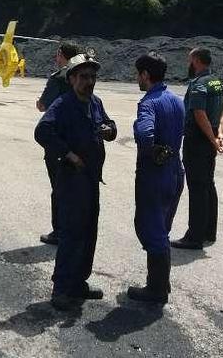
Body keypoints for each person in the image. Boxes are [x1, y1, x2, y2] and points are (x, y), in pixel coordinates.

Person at [34, 53, 117, 311]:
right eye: (84, 77)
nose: (89, 81)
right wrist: (68, 153)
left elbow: (110, 125)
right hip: (71, 180)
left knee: (89, 232)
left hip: (91, 178)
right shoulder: (63, 104)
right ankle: (61, 288)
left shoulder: (95, 102)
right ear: (71, 79)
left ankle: (79, 282)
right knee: (71, 233)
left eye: (93, 77)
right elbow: (42, 131)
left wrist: (109, 130)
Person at [126, 53, 185, 304]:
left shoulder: (149, 103)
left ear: (145, 75)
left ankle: (157, 289)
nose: (137, 79)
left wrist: (150, 148)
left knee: (151, 228)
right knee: (163, 227)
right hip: (175, 171)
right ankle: (162, 284)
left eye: (138, 74)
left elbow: (145, 132)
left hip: (155, 174)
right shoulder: (176, 100)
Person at [171, 48, 223, 250]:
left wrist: (212, 140)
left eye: (190, 60)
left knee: (197, 187)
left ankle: (194, 237)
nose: (189, 64)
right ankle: (208, 231)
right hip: (209, 137)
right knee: (208, 185)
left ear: (196, 60)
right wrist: (219, 134)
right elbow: (222, 112)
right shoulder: (216, 81)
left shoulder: (199, 84)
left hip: (198, 140)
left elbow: (199, 113)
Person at [36, 42, 81, 246]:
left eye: (57, 54)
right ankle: (75, 227)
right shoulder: (82, 76)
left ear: (62, 55)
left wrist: (39, 102)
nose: (56, 57)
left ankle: (60, 231)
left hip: (58, 141)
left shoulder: (57, 78)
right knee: (76, 186)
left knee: (59, 187)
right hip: (79, 140)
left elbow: (44, 105)